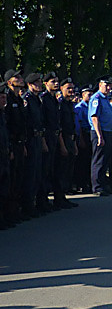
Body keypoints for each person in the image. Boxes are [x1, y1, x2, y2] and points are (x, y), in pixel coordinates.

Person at [3, 70, 28, 222]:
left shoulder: (18, 99)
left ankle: (15, 210)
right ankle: (8, 213)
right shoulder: (7, 99)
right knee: (10, 180)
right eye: (16, 78)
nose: (20, 79)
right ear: (9, 82)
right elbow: (8, 126)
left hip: (20, 143)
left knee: (19, 177)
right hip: (11, 144)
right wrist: (11, 147)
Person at [22, 73, 47, 216]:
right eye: (36, 82)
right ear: (30, 85)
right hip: (30, 139)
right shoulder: (27, 99)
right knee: (30, 173)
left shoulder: (37, 99)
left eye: (40, 82)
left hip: (38, 138)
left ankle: (36, 203)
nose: (40, 84)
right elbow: (25, 123)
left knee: (38, 172)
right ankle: (27, 206)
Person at [89, 75, 112, 196]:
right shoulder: (96, 98)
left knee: (105, 160)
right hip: (99, 132)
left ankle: (103, 184)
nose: (109, 87)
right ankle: (97, 186)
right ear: (100, 85)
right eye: (106, 85)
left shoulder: (105, 98)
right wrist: (99, 135)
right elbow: (94, 118)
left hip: (108, 131)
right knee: (98, 160)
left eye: (110, 85)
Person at [38, 72, 61, 212]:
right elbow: (42, 122)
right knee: (44, 170)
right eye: (53, 81)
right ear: (46, 83)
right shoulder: (43, 99)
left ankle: (53, 199)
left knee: (54, 168)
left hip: (55, 136)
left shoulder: (54, 100)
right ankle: (42, 200)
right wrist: (44, 141)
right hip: (46, 137)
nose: (56, 83)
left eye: (57, 81)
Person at [55, 78, 79, 207]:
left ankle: (63, 195)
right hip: (62, 139)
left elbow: (72, 127)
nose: (71, 91)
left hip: (70, 139)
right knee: (61, 169)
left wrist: (74, 144)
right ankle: (58, 197)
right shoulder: (60, 104)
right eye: (68, 88)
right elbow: (59, 126)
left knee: (68, 169)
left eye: (72, 88)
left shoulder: (70, 104)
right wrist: (63, 145)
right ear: (62, 89)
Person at [74, 86, 93, 193]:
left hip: (91, 134)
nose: (90, 96)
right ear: (83, 95)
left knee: (89, 160)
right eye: (88, 94)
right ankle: (81, 184)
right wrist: (81, 139)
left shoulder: (91, 106)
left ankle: (88, 182)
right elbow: (80, 125)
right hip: (84, 134)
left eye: (91, 94)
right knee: (83, 161)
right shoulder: (79, 107)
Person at [0, 82, 12, 228]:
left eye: (4, 97)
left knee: (4, 187)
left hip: (4, 154)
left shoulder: (2, 114)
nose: (4, 100)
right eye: (1, 98)